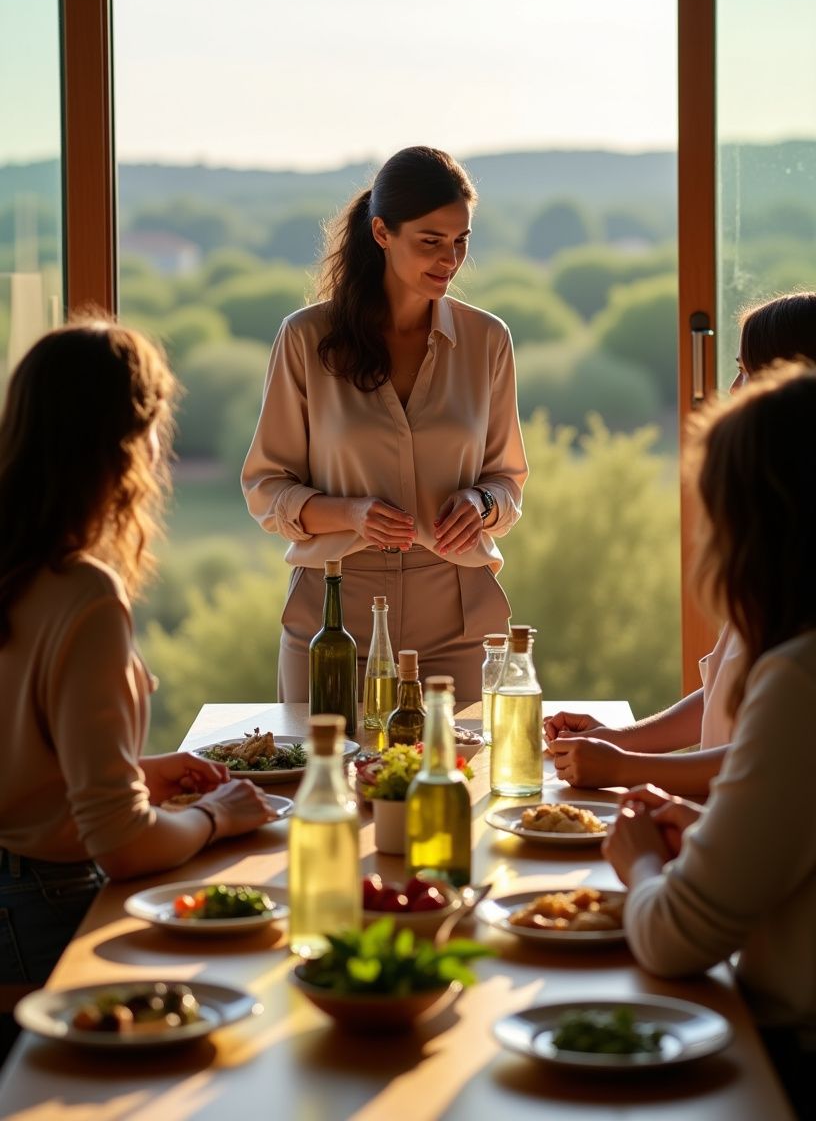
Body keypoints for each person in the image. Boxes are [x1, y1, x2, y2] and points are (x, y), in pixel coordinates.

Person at [0, 318, 279, 1017]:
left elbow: (24, 768)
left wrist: (139, 774)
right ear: (128, 445)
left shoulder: (13, 570)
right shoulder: (86, 596)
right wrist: (216, 817)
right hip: (45, 917)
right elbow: (121, 845)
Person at [602, 363, 816, 1118]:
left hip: (785, 1060)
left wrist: (640, 862)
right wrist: (712, 835)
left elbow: (674, 937)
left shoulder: (799, 676)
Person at [241, 145, 528, 700]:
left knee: (467, 783)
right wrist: (351, 513)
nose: (450, 259)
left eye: (460, 241)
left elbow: (507, 482)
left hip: (459, 615)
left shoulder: (488, 341)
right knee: (321, 780)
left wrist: (481, 505)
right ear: (381, 233)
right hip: (332, 614)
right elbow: (265, 487)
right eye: (431, 241)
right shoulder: (305, 339)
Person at [544, 289, 816, 794]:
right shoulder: (781, 537)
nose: (733, 392)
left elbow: (774, 756)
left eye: (749, 373)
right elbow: (722, 693)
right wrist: (622, 740)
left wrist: (625, 769)